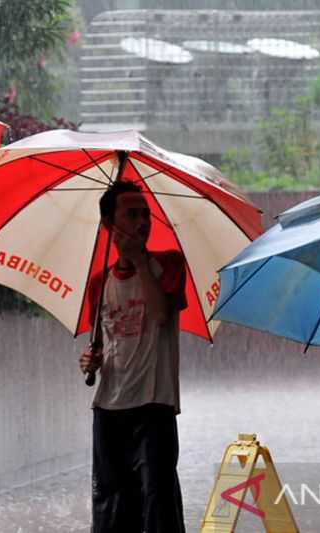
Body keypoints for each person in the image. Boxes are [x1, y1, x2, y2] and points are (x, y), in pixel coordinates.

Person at [79, 181, 187, 533]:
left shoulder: (169, 264)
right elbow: (99, 344)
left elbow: (159, 315)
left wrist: (141, 261)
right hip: (109, 408)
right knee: (110, 508)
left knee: (158, 506)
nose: (142, 221)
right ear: (110, 224)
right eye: (132, 214)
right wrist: (90, 361)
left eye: (145, 214)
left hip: (153, 405)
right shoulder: (99, 283)